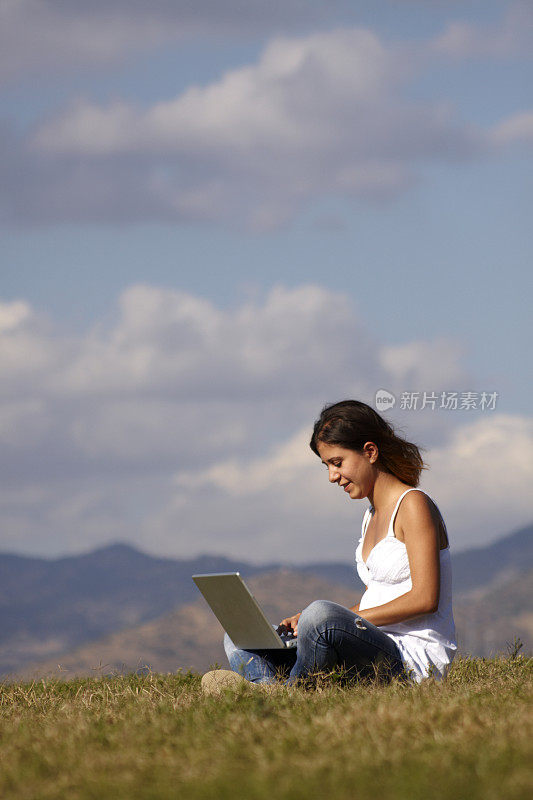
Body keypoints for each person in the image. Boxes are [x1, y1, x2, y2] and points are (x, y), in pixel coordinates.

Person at [201, 399, 456, 693]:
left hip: (409, 662)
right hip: (369, 647)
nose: (333, 476)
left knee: (320, 613)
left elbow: (425, 599)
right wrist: (309, 624)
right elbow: (380, 598)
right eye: (327, 466)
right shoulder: (371, 515)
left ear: (370, 452)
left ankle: (278, 691)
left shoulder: (413, 505)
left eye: (337, 463)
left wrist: (325, 621)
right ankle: (273, 688)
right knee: (238, 637)